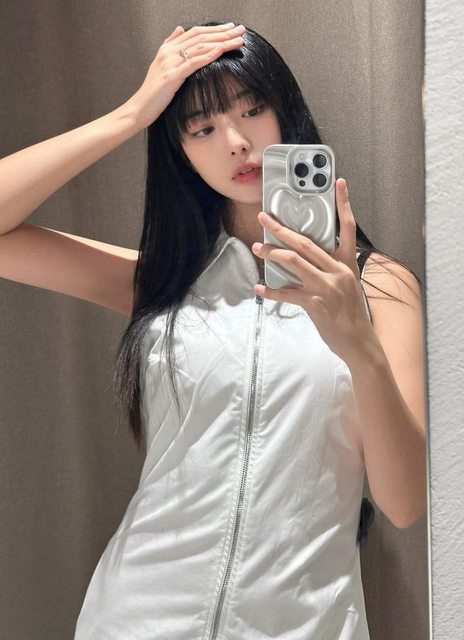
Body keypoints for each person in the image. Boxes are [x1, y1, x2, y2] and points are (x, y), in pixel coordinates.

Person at [0, 19, 426, 640]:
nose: (235, 141)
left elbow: (404, 504)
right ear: (179, 150)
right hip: (137, 619)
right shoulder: (164, 282)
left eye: (252, 110)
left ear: (286, 112)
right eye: (201, 128)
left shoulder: (381, 287)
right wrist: (132, 115)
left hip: (304, 626)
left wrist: (358, 344)